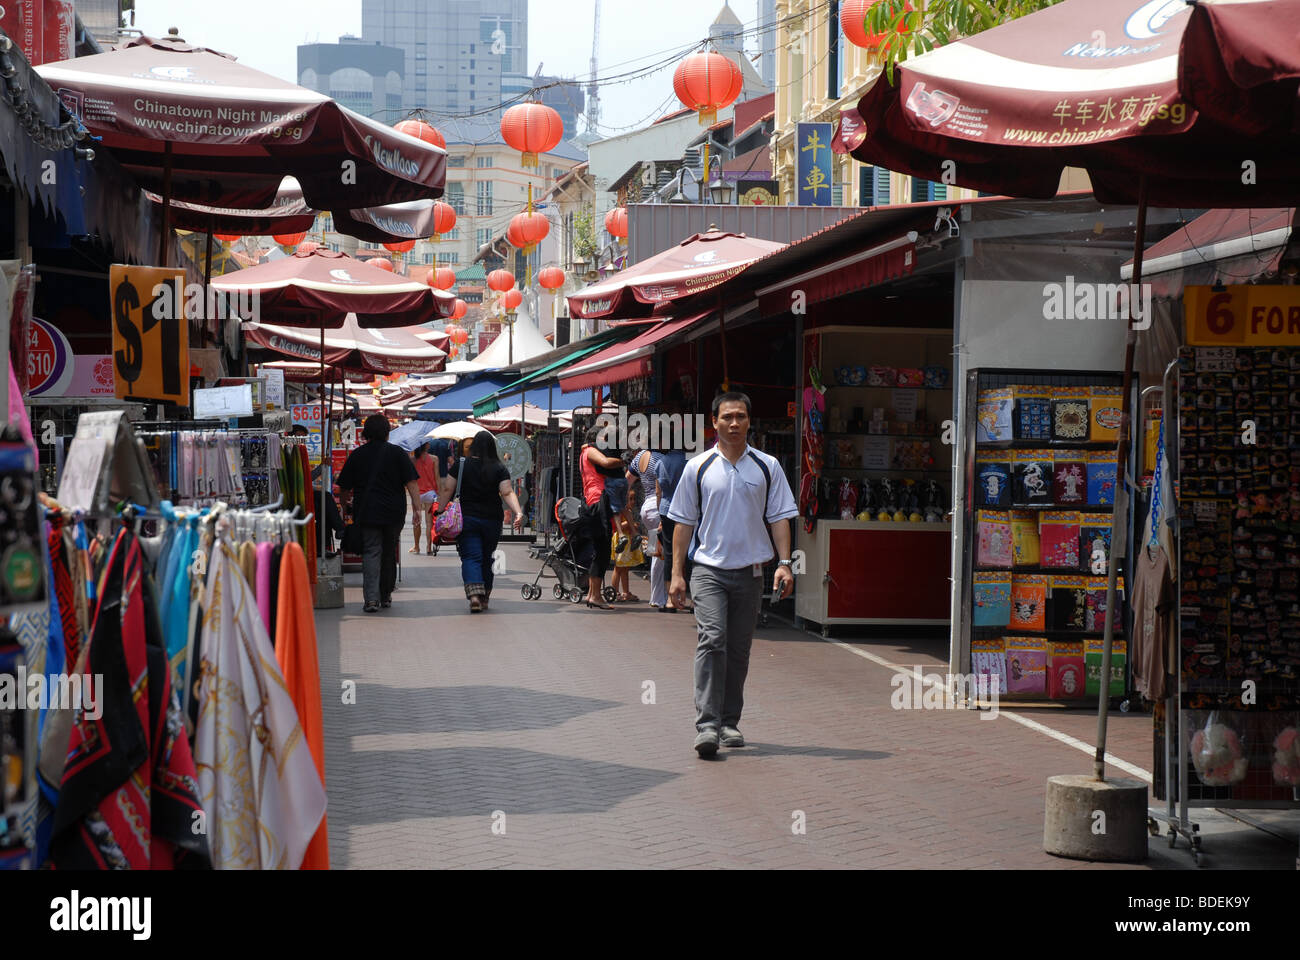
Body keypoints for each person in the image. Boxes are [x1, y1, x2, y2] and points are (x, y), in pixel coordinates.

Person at [667, 392, 798, 758]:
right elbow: (682, 523)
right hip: (708, 570)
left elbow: (780, 518)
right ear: (714, 422)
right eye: (727, 417)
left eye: (741, 416)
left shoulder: (768, 466)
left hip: (751, 573)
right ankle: (707, 725)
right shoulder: (699, 467)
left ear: (749, 421)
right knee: (713, 639)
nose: (734, 423)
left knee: (739, 650)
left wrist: (785, 564)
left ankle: (729, 722)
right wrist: (676, 574)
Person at [336, 414, 421, 614]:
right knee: (389, 552)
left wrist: (343, 507)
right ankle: (385, 595)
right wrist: (417, 509)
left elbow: (344, 488)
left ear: (366, 433)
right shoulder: (398, 453)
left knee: (371, 552)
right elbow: (412, 483)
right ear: (387, 432)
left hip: (367, 512)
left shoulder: (357, 455)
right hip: (394, 513)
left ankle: (371, 600)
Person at [438, 430, 524, 613]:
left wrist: (439, 510)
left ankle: (474, 596)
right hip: (492, 520)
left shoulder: (461, 465)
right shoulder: (499, 467)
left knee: (471, 556)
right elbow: (507, 492)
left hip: (467, 518)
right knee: (486, 557)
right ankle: (485, 597)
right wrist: (518, 512)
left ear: (474, 446)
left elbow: (447, 489)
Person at [627, 447, 688, 611]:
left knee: (656, 552)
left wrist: (625, 505)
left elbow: (627, 480)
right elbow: (660, 486)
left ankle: (656, 597)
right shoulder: (662, 458)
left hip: (646, 509)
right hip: (657, 507)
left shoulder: (639, 456)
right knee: (662, 554)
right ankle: (660, 597)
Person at [576, 427, 624, 609]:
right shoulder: (590, 451)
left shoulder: (585, 451)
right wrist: (622, 461)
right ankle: (595, 595)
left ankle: (592, 594)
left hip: (595, 501)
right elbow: (606, 462)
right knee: (602, 551)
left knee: (600, 550)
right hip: (597, 502)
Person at [409, 442, 440, 555]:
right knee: (429, 522)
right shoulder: (434, 458)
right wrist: (439, 493)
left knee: (417, 521)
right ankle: (428, 547)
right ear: (425, 446)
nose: (429, 444)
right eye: (427, 443)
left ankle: (417, 547)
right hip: (430, 493)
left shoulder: (412, 460)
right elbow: (437, 477)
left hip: (416, 493)